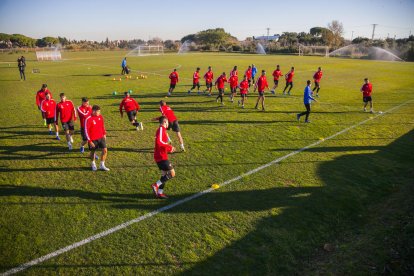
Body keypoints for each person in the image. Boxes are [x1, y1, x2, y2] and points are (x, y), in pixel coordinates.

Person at [151, 116, 176, 199]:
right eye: (167, 122)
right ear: (165, 122)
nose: (168, 124)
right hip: (161, 156)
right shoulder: (161, 129)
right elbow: (159, 142)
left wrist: (169, 149)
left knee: (164, 175)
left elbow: (161, 144)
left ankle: (160, 193)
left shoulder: (162, 130)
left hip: (160, 155)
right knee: (172, 173)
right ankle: (156, 185)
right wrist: (170, 147)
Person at [84, 105, 109, 171]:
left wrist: (104, 134)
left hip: (101, 137)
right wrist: (89, 141)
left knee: (105, 150)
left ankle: (102, 165)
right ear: (93, 111)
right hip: (93, 139)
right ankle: (93, 163)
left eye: (99, 111)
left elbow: (102, 126)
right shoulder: (88, 119)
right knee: (93, 152)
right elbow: (86, 130)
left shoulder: (100, 117)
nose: (98, 113)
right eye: (97, 111)